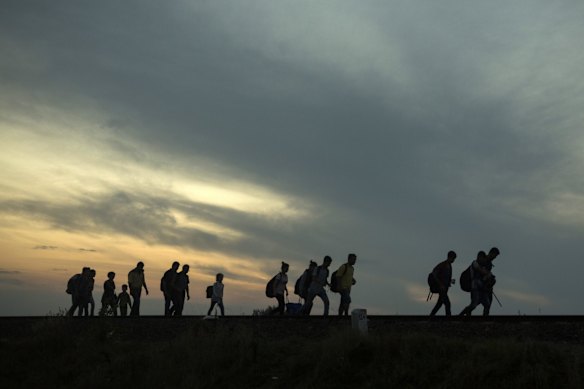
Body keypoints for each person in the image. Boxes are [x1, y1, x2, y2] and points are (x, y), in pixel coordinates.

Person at [459, 251, 494, 316]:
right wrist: (488, 274)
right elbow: (482, 271)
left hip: (481, 288)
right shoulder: (475, 263)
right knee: (473, 305)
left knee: (487, 304)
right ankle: (461, 315)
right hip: (475, 287)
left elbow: (484, 275)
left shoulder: (482, 265)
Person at [429, 251, 456, 316]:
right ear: (450, 257)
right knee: (447, 303)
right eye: (453, 258)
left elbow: (444, 278)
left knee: (439, 304)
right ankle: (448, 319)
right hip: (441, 289)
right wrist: (440, 284)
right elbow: (434, 274)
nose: (453, 260)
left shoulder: (449, 266)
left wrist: (450, 281)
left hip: (444, 289)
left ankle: (431, 317)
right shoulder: (443, 265)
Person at [483, 247, 501, 316]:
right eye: (495, 256)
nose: (495, 258)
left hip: (487, 287)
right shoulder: (484, 261)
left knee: (487, 303)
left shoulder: (489, 263)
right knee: (475, 303)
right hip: (482, 286)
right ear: (492, 253)